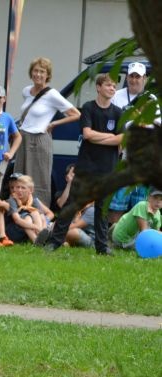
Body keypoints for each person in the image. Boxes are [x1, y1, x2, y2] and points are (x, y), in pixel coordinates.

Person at [45, 74, 122, 254]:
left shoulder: (118, 113)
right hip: (87, 167)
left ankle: (102, 247)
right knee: (72, 204)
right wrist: (109, 137)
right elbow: (87, 134)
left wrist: (101, 138)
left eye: (114, 86)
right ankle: (54, 242)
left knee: (102, 208)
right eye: (109, 85)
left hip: (108, 168)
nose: (112, 89)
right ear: (99, 87)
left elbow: (122, 138)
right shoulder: (88, 108)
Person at [17, 57, 80, 206]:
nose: (38, 74)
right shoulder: (26, 91)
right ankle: (20, 210)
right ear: (31, 73)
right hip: (23, 138)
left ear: (47, 75)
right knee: (20, 177)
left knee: (38, 180)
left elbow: (76, 114)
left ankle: (40, 214)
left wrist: (54, 123)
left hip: (39, 139)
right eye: (36, 71)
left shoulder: (52, 94)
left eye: (42, 72)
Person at [5, 173, 52, 244]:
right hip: (12, 230)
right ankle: (35, 240)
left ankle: (40, 238)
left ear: (30, 190)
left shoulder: (33, 200)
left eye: (23, 188)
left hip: (27, 230)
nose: (19, 190)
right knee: (28, 218)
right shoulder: (12, 200)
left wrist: (43, 230)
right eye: (17, 187)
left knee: (35, 213)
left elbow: (43, 218)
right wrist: (36, 227)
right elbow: (17, 220)